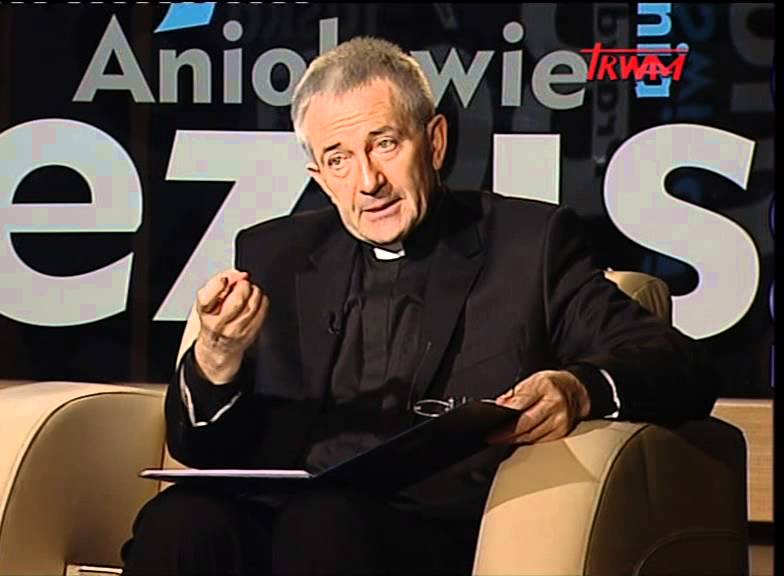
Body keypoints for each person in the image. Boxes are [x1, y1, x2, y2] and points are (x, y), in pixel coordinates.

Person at [120, 36, 717, 576]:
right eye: (339, 159)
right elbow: (201, 450)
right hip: (281, 511)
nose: (367, 181)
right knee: (178, 522)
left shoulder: (528, 246)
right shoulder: (274, 254)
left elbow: (677, 363)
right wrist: (216, 358)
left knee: (323, 524)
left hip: (425, 528)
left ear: (434, 142)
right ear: (319, 175)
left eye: (384, 144)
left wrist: (579, 388)